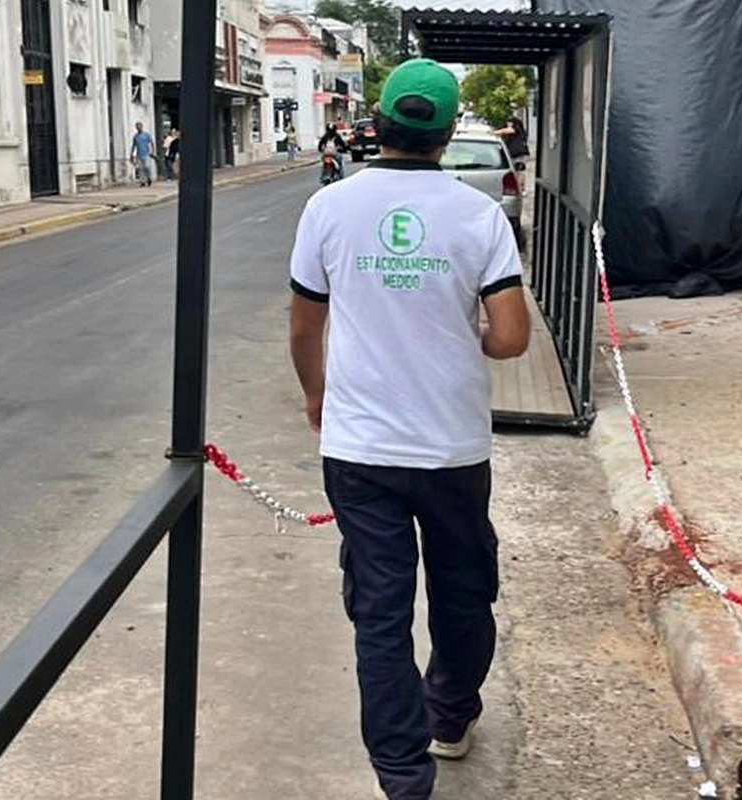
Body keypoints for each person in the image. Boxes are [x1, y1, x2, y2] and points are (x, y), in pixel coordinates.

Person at [288, 59, 530, 800]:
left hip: (360, 449)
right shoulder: (476, 214)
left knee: (380, 612)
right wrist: (478, 340)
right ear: (450, 131)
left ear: (379, 124)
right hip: (453, 446)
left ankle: (402, 778)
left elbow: (304, 326)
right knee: (463, 590)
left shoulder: (330, 208)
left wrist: (317, 398)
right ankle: (450, 716)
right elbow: (513, 337)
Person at [131, 121, 155, 187]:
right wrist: (132, 154)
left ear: (142, 127)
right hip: (139, 154)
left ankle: (149, 178)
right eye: (137, 127)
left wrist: (153, 151)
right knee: (140, 168)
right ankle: (142, 181)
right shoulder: (135, 136)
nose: (138, 128)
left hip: (147, 154)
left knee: (147, 167)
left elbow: (152, 143)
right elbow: (134, 145)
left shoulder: (147, 135)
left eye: (139, 126)